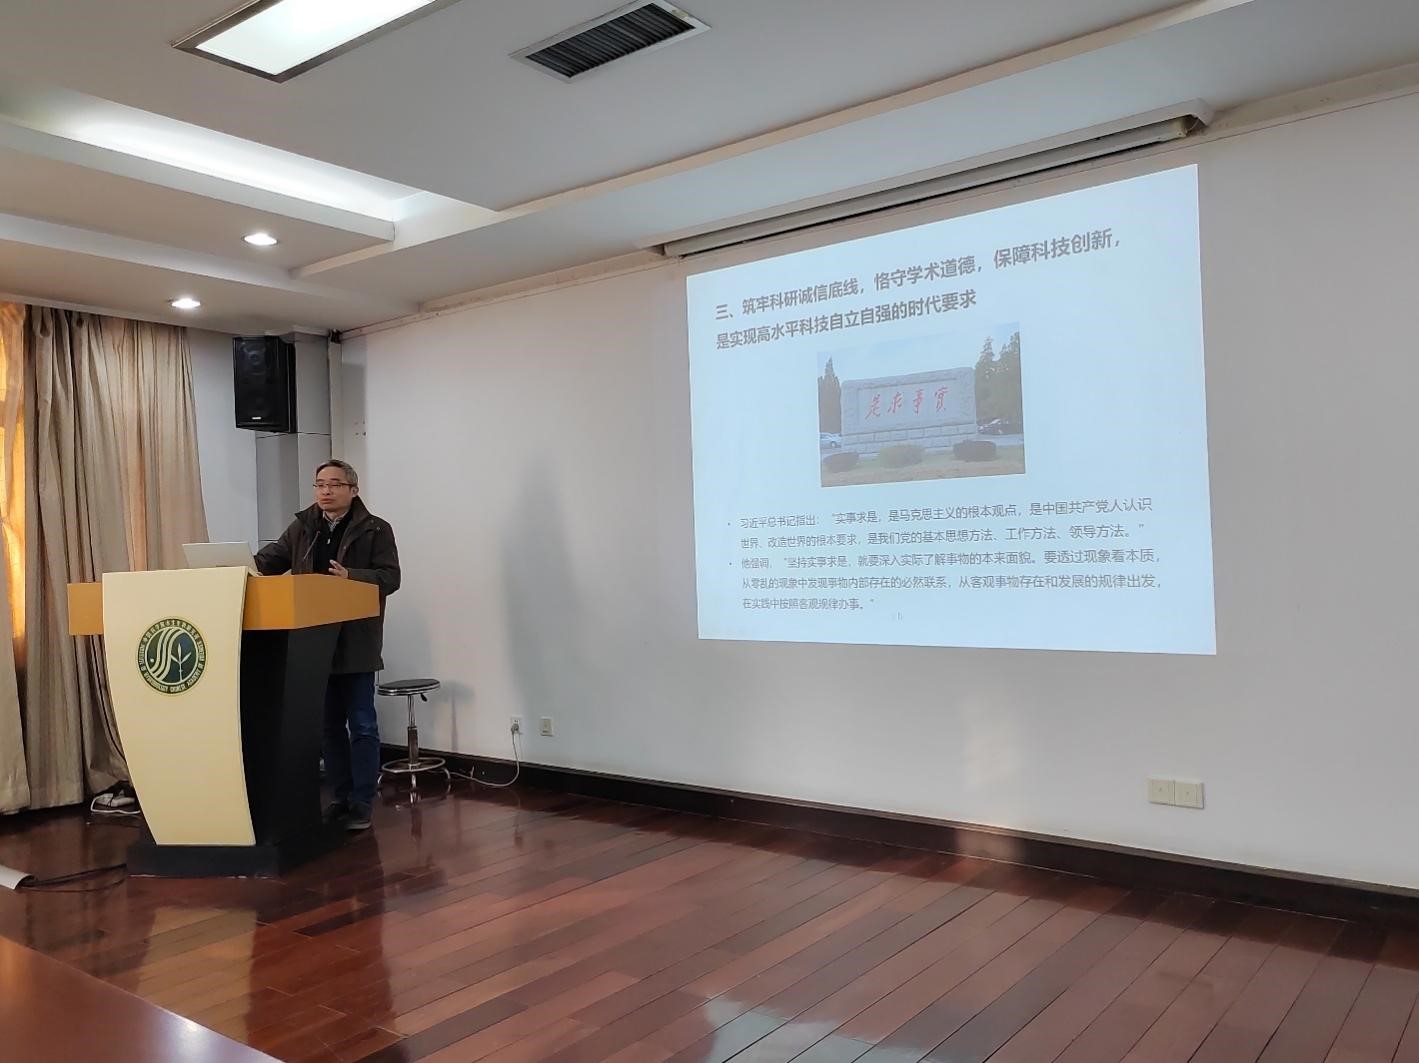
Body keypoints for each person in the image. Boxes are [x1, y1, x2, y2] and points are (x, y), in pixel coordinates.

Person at [255, 460, 400, 830]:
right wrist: (235, 568)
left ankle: (362, 801)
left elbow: (390, 578)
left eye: (334, 484)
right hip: (311, 643)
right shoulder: (303, 527)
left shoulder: (375, 529)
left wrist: (352, 576)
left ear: (353, 489)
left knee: (362, 724)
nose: (325, 491)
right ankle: (339, 798)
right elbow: (269, 562)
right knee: (328, 727)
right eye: (320, 484)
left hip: (355, 641)